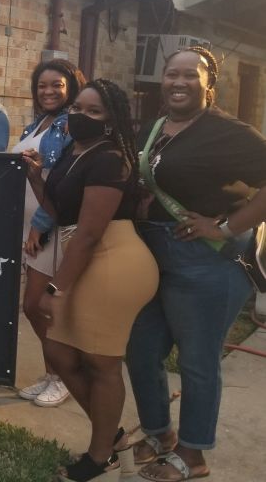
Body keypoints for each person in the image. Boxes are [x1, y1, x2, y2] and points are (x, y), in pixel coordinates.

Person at [126, 46, 266, 482]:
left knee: (197, 361)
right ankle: (159, 434)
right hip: (155, 255)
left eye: (191, 75)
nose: (179, 82)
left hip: (207, 262)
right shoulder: (155, 127)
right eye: (172, 74)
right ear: (162, 79)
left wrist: (225, 226)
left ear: (210, 85)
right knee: (142, 349)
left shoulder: (228, 132)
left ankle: (193, 454)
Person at [22, 79, 159, 482]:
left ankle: (100, 457)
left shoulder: (110, 159)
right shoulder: (72, 152)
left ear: (112, 120)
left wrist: (55, 288)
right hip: (83, 257)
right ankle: (112, 435)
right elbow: (60, 210)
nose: (81, 115)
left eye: (94, 111)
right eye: (78, 108)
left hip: (113, 261)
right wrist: (35, 178)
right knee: (62, 355)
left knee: (101, 363)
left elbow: (88, 232)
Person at [12, 59, 85, 408]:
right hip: (30, 227)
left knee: (39, 307)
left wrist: (39, 227)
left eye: (56, 84)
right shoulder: (38, 123)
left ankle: (65, 377)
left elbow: (60, 184)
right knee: (36, 308)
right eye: (42, 85)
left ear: (71, 86)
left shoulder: (70, 125)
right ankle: (51, 372)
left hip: (50, 227)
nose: (48, 91)